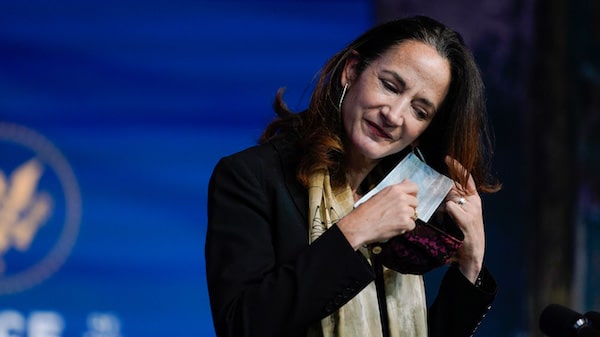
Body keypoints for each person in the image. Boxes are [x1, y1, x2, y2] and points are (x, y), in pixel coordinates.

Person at [205, 15, 500, 337]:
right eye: (390, 86)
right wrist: (354, 231)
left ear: (423, 131)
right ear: (351, 71)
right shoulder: (251, 176)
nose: (394, 115)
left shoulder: (412, 201)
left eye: (420, 111)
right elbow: (240, 326)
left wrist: (471, 264)